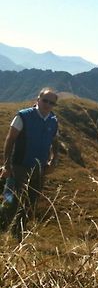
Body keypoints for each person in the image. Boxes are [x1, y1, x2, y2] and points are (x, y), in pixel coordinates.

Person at [0, 87, 59, 240]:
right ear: (37, 99)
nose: (47, 104)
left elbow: (54, 142)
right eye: (45, 100)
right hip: (19, 166)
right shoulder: (23, 116)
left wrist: (53, 159)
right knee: (10, 201)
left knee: (30, 204)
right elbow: (10, 140)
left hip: (39, 170)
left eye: (51, 103)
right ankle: (1, 230)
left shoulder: (53, 121)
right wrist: (7, 165)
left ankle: (16, 235)